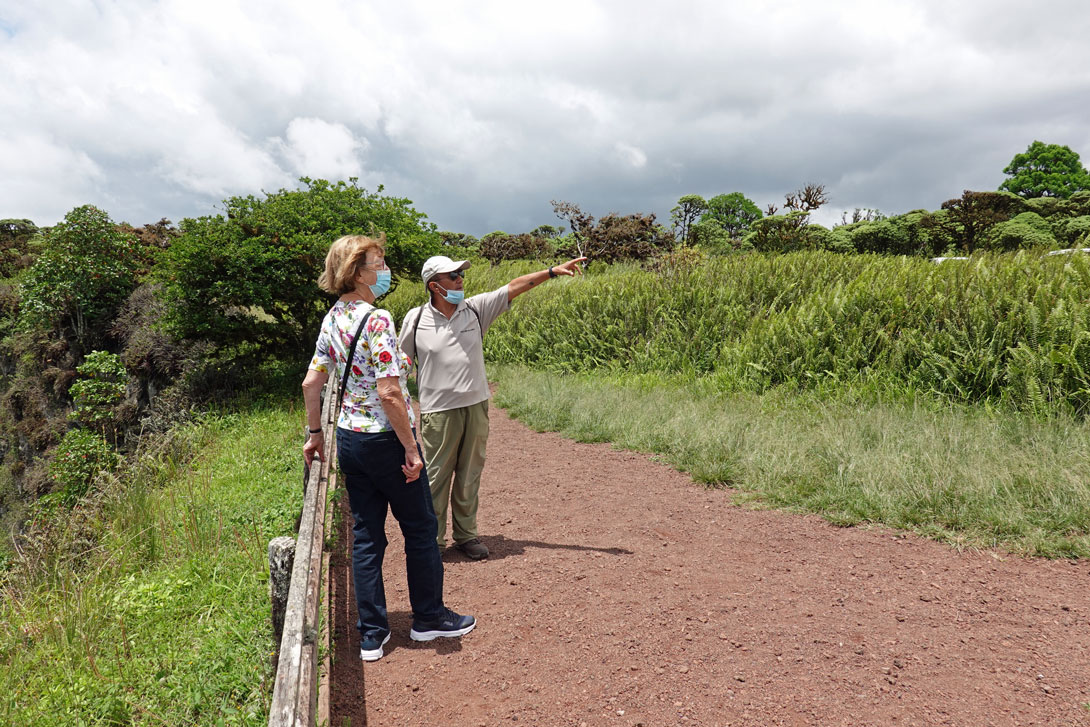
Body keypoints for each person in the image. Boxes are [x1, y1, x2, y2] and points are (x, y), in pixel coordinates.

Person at [301, 234, 475, 663]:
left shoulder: (333, 317)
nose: (385, 271)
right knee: (420, 528)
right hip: (385, 440)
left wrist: (315, 433)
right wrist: (411, 449)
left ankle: (372, 635)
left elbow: (312, 382)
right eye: (378, 264)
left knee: (366, 536)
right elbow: (390, 393)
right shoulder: (377, 318)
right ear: (357, 273)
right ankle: (428, 617)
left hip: (350, 440)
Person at [400, 254, 587, 560]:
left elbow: (513, 287)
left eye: (461, 274)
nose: (460, 280)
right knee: (435, 477)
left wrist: (552, 271)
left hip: (476, 406)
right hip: (438, 411)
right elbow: (400, 366)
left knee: (469, 474)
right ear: (434, 285)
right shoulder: (416, 319)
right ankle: (432, 541)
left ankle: (466, 535)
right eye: (453, 276)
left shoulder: (475, 309)